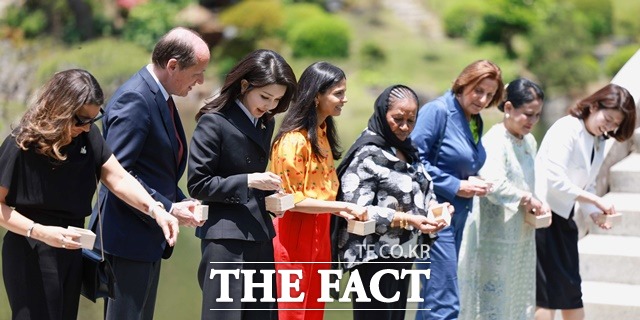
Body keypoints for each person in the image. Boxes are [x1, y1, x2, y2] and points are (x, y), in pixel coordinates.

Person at [0, 69, 179, 320]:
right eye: (80, 120)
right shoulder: (21, 144)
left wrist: (156, 210)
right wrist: (40, 231)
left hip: (72, 250)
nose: (86, 128)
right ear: (58, 109)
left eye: (92, 120)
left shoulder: (88, 138)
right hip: (30, 249)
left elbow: (118, 178)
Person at [94, 27, 209, 320]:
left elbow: (156, 169)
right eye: (198, 72)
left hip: (146, 232)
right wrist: (168, 206)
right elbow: (117, 172)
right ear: (173, 66)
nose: (202, 81)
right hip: (126, 235)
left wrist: (179, 202)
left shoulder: (160, 95)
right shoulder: (135, 98)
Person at [187, 49, 297, 320]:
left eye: (277, 100)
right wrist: (250, 181)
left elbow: (252, 179)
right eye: (265, 97)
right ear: (245, 84)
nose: (270, 106)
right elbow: (198, 183)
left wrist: (272, 197)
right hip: (225, 241)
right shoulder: (214, 121)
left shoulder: (265, 123)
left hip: (260, 235)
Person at [334, 84, 448, 320]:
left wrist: (438, 211)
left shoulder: (409, 149)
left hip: (404, 253)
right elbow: (355, 210)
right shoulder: (367, 153)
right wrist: (407, 219)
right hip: (372, 256)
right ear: (382, 114)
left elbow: (423, 190)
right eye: (398, 119)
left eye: (411, 120)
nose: (405, 127)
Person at [269, 61, 367, 320]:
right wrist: (343, 207)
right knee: (291, 312)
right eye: (338, 93)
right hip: (294, 233)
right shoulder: (292, 141)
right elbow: (292, 200)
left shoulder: (322, 134)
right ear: (315, 96)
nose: (344, 100)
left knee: (313, 311)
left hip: (320, 232)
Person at [411, 59, 504, 320]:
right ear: (463, 84)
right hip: (434, 217)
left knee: (434, 296)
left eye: (489, 94)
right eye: (478, 90)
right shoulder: (437, 111)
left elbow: (459, 161)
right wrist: (457, 185)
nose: (483, 99)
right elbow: (412, 160)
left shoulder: (474, 120)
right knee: (444, 301)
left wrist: (474, 180)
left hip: (458, 215)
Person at [534, 83, 636, 320]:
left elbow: (587, 185)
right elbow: (554, 180)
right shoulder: (567, 128)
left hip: (564, 220)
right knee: (546, 297)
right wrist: (594, 200)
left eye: (615, 124)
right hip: (544, 219)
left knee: (571, 292)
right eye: (608, 118)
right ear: (593, 105)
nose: (608, 127)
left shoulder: (599, 141)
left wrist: (593, 212)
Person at [458, 78, 550, 320]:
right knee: (492, 300)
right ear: (508, 108)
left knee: (518, 297)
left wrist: (539, 200)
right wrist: (526, 197)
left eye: (537, 115)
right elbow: (493, 184)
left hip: (521, 234)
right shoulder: (494, 140)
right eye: (527, 114)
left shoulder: (529, 140)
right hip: (494, 236)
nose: (532, 121)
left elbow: (532, 178)